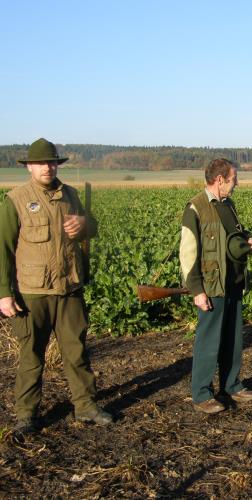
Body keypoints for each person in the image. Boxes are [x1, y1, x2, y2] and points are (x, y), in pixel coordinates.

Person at [0, 138, 111, 434]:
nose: (47, 168)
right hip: (32, 293)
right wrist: (4, 294)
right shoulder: (16, 200)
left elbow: (93, 228)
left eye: (51, 162)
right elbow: (3, 250)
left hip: (70, 289)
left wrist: (84, 225)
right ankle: (26, 414)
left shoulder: (71, 195)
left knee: (76, 352)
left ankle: (85, 406)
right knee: (31, 356)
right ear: (29, 167)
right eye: (40, 163)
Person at [179, 158, 252, 414]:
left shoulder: (228, 204)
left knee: (233, 340)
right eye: (234, 179)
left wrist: (248, 239)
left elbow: (234, 234)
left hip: (234, 282)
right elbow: (188, 253)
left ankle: (232, 386)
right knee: (208, 341)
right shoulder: (196, 208)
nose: (236, 183)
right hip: (212, 285)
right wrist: (197, 290)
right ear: (220, 179)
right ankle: (202, 395)